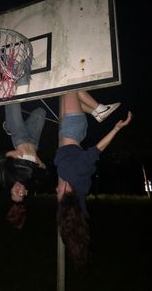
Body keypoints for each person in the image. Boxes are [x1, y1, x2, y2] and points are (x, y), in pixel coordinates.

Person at [54, 90, 132, 266]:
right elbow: (97, 150)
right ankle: (100, 109)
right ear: (67, 192)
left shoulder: (79, 189)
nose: (56, 190)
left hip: (68, 128)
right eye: (58, 194)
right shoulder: (74, 172)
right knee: (70, 87)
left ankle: (98, 113)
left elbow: (78, 210)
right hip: (74, 128)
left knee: (70, 96)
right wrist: (116, 129)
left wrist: (72, 231)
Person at [0, 102, 47, 228]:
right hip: (34, 141)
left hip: (19, 139)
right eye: (21, 194)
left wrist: (16, 153)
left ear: (11, 191)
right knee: (41, 112)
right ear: (26, 192)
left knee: (13, 102)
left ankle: (11, 127)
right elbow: (44, 169)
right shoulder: (32, 181)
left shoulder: (6, 178)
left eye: (14, 193)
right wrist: (38, 160)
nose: (18, 190)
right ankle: (9, 125)